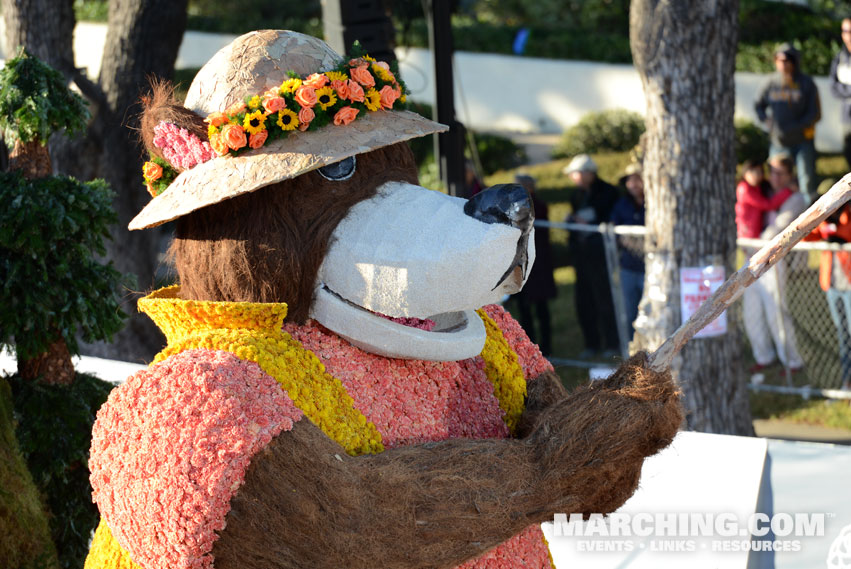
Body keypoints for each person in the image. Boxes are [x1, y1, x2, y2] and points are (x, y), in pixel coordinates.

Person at [742, 154, 805, 374]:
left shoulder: (795, 199)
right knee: (752, 312)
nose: (774, 177)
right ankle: (764, 356)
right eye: (772, 171)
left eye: (780, 173)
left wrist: (748, 242)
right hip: (751, 258)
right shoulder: (763, 191)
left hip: (774, 261)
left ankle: (792, 361)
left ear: (789, 175)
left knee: (776, 312)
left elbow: (777, 229)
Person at [563, 153, 620, 359]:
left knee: (604, 298)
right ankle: (592, 343)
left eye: (576, 173)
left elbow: (607, 220)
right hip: (581, 255)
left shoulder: (608, 192)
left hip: (600, 255)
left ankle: (612, 343)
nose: (573, 177)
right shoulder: (576, 195)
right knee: (584, 300)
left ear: (589, 173)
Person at [754, 43, 821, 205]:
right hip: (779, 142)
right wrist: (766, 120)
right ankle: (778, 212)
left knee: (806, 180)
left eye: (786, 61)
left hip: (802, 141)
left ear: (794, 62)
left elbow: (815, 113)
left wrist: (796, 126)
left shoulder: (806, 83)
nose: (782, 64)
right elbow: (758, 104)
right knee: (776, 180)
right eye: (779, 60)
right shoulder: (770, 82)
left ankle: (808, 214)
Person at [805, 202, 851, 390]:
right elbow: (806, 237)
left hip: (848, 283)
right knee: (843, 334)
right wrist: (813, 221)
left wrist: (835, 233)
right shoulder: (825, 219)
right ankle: (847, 383)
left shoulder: (847, 214)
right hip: (832, 284)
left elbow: (845, 233)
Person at [512, 174, 557, 356]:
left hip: (539, 264)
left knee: (541, 308)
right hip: (522, 264)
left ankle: (547, 346)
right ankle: (528, 345)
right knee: (525, 309)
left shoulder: (538, 207)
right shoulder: (516, 209)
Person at [609, 162, 645, 338]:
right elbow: (615, 230)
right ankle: (631, 348)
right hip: (628, 267)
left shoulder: (656, 203)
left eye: (638, 179)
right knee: (630, 312)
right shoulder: (622, 204)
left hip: (651, 268)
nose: (633, 184)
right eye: (630, 180)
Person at [735, 158, 792, 239]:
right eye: (752, 172)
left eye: (759, 172)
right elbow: (767, 205)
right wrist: (788, 191)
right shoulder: (745, 189)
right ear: (745, 173)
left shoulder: (757, 187)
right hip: (748, 233)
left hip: (755, 231)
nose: (756, 175)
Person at [830, 18, 851, 169]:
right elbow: (833, 87)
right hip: (847, 114)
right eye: (845, 31)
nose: (848, 35)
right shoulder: (840, 58)